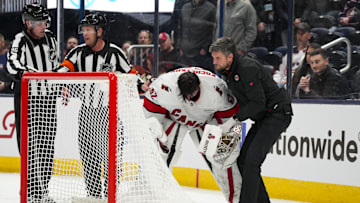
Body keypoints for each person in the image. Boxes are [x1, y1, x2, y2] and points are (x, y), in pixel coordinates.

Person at [55, 13, 149, 199]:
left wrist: (142, 85)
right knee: (88, 159)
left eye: (89, 30)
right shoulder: (77, 52)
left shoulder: (114, 53)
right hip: (87, 113)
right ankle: (94, 197)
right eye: (83, 30)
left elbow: (131, 74)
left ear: (100, 31)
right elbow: (62, 70)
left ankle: (110, 196)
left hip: (110, 113)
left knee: (112, 158)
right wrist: (62, 84)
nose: (85, 34)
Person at [210, 37, 293, 203]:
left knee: (251, 162)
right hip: (264, 117)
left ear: (230, 57)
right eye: (213, 58)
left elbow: (258, 103)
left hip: (277, 114)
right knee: (243, 161)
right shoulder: (229, 72)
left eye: (218, 58)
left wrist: (234, 120)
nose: (214, 62)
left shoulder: (247, 68)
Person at [143, 67, 242, 202]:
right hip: (174, 120)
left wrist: (230, 139)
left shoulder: (217, 90)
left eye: (193, 94)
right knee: (158, 158)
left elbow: (233, 120)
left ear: (199, 85)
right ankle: (152, 197)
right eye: (185, 95)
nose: (189, 98)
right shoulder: (163, 86)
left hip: (206, 121)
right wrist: (158, 136)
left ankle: (237, 200)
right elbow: (150, 118)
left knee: (224, 163)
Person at [6, 3, 58, 201]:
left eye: (45, 22)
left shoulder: (51, 39)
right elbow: (12, 64)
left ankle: (42, 191)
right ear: (28, 23)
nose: (44, 26)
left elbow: (55, 64)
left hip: (48, 99)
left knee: (47, 145)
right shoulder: (20, 40)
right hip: (27, 99)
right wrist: (30, 75)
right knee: (28, 145)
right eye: (40, 22)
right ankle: (32, 191)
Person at [177, 0, 216, 70]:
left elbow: (213, 31)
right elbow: (180, 28)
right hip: (184, 53)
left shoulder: (211, 8)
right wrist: (179, 46)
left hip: (200, 54)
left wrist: (205, 47)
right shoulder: (185, 7)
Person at [273, 22, 312, 87]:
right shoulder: (289, 53)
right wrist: (275, 81)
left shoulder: (312, 52)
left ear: (309, 36)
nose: (299, 36)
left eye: (302, 34)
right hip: (283, 85)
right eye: (298, 33)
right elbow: (281, 72)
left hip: (298, 85)